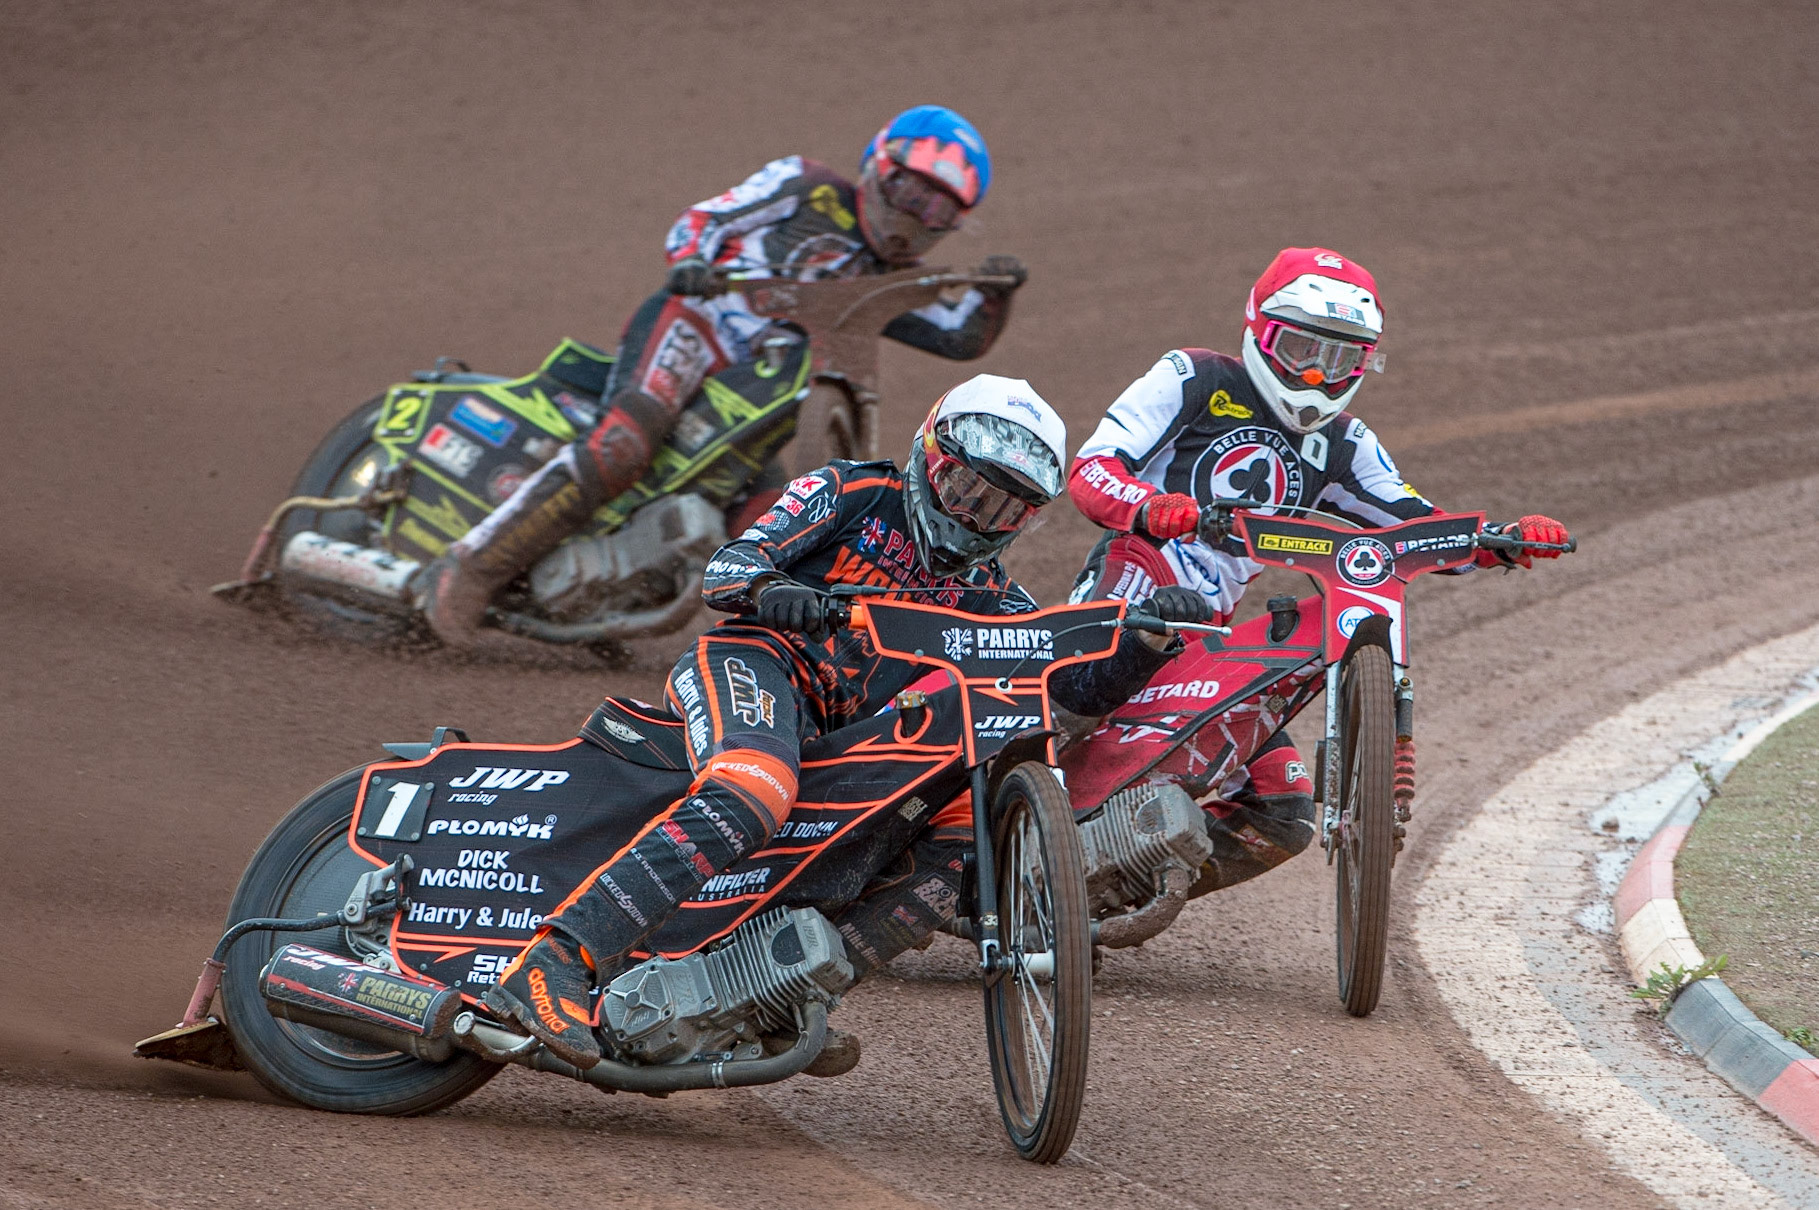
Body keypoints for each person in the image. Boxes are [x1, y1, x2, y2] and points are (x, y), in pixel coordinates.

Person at [482, 374, 1211, 1070]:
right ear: (930, 452)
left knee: (954, 840)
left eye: (1001, 510)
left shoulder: (998, 600)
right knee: (754, 788)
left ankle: (776, 999)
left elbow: (1067, 700)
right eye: (964, 488)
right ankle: (555, 960)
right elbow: (726, 570)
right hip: (758, 666)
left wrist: (1144, 646)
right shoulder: (854, 491)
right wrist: (775, 592)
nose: (971, 519)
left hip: (842, 737)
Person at [418, 105, 1027, 647]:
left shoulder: (886, 285)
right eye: (910, 190)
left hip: (756, 403)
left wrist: (997, 295)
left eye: (938, 209)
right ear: (876, 165)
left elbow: (958, 336)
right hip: (699, 325)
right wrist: (691, 265)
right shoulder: (806, 186)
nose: (915, 215)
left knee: (770, 516)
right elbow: (703, 220)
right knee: (625, 441)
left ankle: (760, 646)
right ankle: (469, 570)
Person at [1066, 246, 1569, 896]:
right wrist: (1152, 507)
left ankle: (1108, 889)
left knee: (1280, 816)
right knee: (1102, 670)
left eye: (1338, 359)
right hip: (1132, 581)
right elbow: (1093, 468)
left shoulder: (1343, 444)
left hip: (1211, 637)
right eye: (1300, 350)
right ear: (1259, 332)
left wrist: (1496, 541)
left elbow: (1412, 526)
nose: (1313, 376)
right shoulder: (1192, 376)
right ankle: (1016, 789)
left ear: (1363, 363)